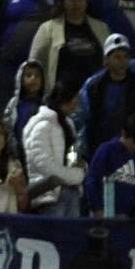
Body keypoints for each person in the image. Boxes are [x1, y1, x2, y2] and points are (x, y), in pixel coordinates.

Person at [24, 82, 86, 217]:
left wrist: (76, 164)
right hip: (49, 196)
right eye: (75, 100)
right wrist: (76, 175)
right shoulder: (42, 126)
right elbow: (44, 166)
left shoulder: (69, 125)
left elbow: (72, 157)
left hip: (71, 191)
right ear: (66, 100)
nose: (76, 105)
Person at [84, 112, 135, 217]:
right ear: (124, 133)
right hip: (104, 216)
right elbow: (92, 181)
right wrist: (97, 208)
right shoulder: (106, 150)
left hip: (129, 220)